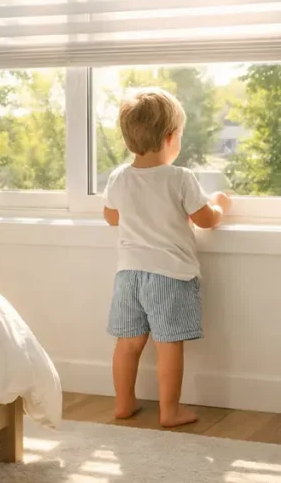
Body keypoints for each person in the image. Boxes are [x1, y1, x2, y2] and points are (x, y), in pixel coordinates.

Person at [102, 88, 232, 428]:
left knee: (128, 344)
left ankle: (123, 403)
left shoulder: (119, 177)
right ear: (171, 137)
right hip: (169, 276)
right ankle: (169, 411)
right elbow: (206, 219)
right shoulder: (180, 178)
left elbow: (111, 216)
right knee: (168, 345)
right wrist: (221, 204)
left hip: (128, 275)